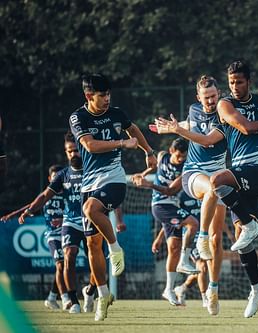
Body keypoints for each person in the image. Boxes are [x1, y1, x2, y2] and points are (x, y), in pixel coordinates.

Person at [154, 61, 258, 317]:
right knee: (238, 235)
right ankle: (254, 285)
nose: (234, 86)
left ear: (248, 81)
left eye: (239, 82)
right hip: (231, 175)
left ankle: (209, 262)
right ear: (199, 96)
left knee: (223, 198)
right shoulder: (224, 106)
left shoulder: (255, 101)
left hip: (253, 171)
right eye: (231, 82)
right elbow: (241, 128)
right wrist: (177, 129)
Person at [69, 73, 156, 321]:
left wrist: (148, 151)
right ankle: (103, 295)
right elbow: (89, 145)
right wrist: (122, 143)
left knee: (89, 210)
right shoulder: (78, 117)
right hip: (89, 183)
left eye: (108, 94)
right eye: (102, 95)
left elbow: (134, 129)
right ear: (89, 96)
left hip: (115, 179)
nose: (107, 99)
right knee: (91, 245)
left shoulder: (117, 113)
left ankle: (115, 248)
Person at [150, 75, 228, 315]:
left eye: (214, 96)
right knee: (212, 189)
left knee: (218, 241)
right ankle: (199, 239)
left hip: (219, 173)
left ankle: (212, 290)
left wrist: (177, 130)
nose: (210, 101)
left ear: (219, 94)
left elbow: (205, 140)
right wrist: (173, 128)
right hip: (194, 174)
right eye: (206, 97)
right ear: (198, 97)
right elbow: (192, 124)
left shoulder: (225, 113)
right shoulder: (195, 110)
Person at [3, 133, 88, 313]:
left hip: (87, 222)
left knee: (87, 260)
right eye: (69, 151)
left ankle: (79, 293)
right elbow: (37, 200)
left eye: (76, 150)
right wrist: (21, 212)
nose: (73, 154)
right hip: (58, 231)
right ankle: (69, 299)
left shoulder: (87, 173)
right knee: (63, 260)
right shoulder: (59, 181)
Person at [132, 138, 199, 305]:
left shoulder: (186, 168)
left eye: (184, 156)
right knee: (193, 224)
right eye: (178, 156)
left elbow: (170, 191)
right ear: (171, 151)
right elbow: (153, 166)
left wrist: (149, 184)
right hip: (161, 206)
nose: (181, 159)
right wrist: (143, 173)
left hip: (170, 204)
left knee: (174, 249)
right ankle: (185, 260)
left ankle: (168, 290)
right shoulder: (162, 156)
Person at [1, 164, 69, 310]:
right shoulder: (46, 194)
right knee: (61, 264)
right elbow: (31, 205)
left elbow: (75, 212)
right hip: (53, 235)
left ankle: (51, 297)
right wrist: (12, 215)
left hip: (68, 233)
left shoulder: (68, 193)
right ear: (49, 178)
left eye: (59, 177)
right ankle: (65, 299)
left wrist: (63, 220)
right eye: (54, 177)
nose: (57, 179)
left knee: (65, 266)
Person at [173, 191, 236, 307]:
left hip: (207, 234)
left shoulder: (208, 192)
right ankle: (205, 299)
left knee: (205, 268)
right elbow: (174, 215)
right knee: (202, 265)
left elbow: (217, 217)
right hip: (191, 237)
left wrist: (229, 233)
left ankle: (182, 288)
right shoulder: (182, 195)